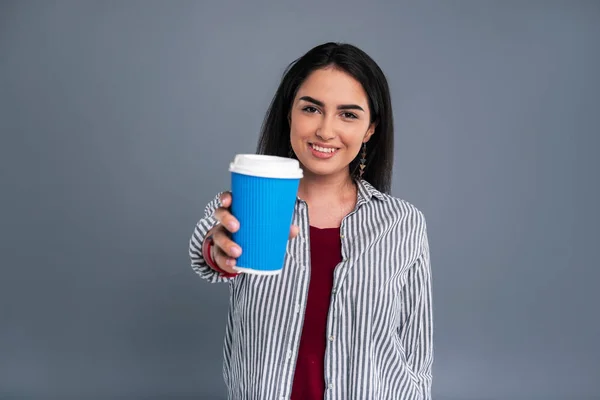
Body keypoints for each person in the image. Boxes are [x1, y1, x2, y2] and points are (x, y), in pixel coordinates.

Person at [189, 42, 433, 400]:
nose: (325, 130)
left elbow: (416, 353)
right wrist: (219, 251)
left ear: (369, 129)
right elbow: (207, 254)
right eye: (311, 109)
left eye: (348, 114)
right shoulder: (247, 206)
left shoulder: (403, 224)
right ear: (290, 113)